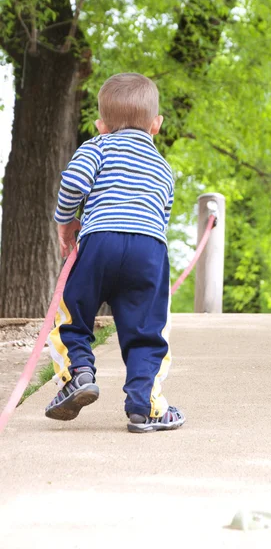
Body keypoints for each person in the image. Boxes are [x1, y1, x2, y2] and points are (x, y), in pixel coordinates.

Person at [45, 73, 185, 433]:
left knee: (72, 315)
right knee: (147, 331)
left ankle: (79, 372)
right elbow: (162, 216)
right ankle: (145, 408)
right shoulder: (163, 167)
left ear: (101, 125)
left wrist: (65, 222)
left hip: (100, 242)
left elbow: (74, 182)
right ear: (157, 125)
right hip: (149, 249)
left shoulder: (97, 146)